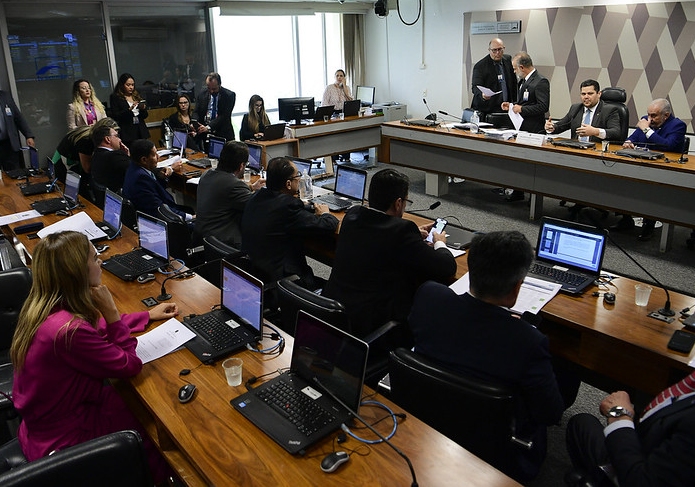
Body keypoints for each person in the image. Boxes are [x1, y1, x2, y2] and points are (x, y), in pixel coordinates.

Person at [9, 231, 178, 484]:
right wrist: (111, 312)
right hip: (66, 439)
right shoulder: (68, 331)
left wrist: (145, 316)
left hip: (41, 427)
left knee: (137, 399)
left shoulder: (43, 307)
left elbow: (93, 328)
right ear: (76, 271)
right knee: (161, 418)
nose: (99, 261)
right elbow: (128, 365)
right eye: (93, 256)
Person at [409, 231, 570, 482]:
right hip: (494, 455)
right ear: (517, 288)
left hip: (424, 428)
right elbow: (550, 414)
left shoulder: (428, 296)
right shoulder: (528, 341)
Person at [566, 291, 695, 487]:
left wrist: (619, 416)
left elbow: (642, 481)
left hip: (640, 466)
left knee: (580, 424)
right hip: (660, 443)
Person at [322, 168, 457, 340]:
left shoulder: (353, 215)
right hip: (372, 324)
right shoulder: (402, 232)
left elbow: (379, 232)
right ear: (398, 203)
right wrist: (439, 242)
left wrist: (412, 232)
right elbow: (446, 267)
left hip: (334, 311)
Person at [241, 157, 338, 290]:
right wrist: (326, 213)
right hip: (284, 282)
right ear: (288, 184)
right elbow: (328, 225)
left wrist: (308, 207)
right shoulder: (288, 207)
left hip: (257, 274)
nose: (299, 178)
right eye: (297, 176)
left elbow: (282, 209)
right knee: (335, 291)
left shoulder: (256, 197)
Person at [616, 98, 688, 239]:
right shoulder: (646, 121)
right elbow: (633, 137)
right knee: (622, 184)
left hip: (663, 170)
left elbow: (667, 146)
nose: (649, 118)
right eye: (648, 115)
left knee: (651, 193)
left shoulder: (677, 125)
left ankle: (648, 226)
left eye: (654, 115)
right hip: (641, 165)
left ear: (666, 115)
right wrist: (628, 142)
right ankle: (626, 220)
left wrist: (647, 129)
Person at [499, 52, 551, 201]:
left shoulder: (540, 81)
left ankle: (533, 200)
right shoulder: (524, 81)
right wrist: (512, 105)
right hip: (522, 127)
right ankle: (518, 191)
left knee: (530, 167)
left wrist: (521, 109)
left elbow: (543, 106)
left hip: (534, 129)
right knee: (519, 163)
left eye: (515, 69)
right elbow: (524, 103)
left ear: (522, 67)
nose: (514, 72)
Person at [194, 141, 264, 248]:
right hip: (223, 242)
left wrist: (252, 187)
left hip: (203, 236)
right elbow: (258, 206)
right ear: (241, 166)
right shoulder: (234, 185)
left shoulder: (207, 174)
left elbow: (225, 191)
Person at [122, 139, 193, 221]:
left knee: (189, 209)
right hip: (162, 221)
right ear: (144, 160)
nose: (158, 157)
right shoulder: (141, 179)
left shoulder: (134, 168)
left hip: (160, 212)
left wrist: (162, 176)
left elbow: (155, 188)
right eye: (155, 154)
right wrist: (190, 217)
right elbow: (159, 210)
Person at [545, 79, 622, 143]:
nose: (586, 97)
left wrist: (595, 131)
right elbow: (561, 125)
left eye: (590, 93)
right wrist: (551, 127)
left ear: (599, 94)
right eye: (583, 94)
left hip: (597, 152)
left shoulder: (609, 110)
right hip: (577, 150)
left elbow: (616, 132)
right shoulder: (576, 108)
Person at [470, 38, 517, 120]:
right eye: (494, 50)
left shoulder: (508, 60)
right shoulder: (480, 66)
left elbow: (513, 83)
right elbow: (475, 87)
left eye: (500, 50)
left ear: (504, 48)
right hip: (488, 109)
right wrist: (483, 95)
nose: (498, 53)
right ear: (489, 50)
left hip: (506, 108)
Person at [108, 73, 149, 147]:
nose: (131, 87)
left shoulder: (136, 95)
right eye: (128, 85)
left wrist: (142, 109)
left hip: (140, 130)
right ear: (122, 85)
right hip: (127, 132)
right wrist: (129, 110)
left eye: (132, 85)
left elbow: (145, 115)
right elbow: (116, 116)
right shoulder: (115, 97)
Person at [90, 118, 130, 192]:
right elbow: (136, 170)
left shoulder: (95, 155)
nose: (120, 140)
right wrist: (127, 156)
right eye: (116, 136)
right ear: (108, 139)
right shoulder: (116, 156)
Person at [194, 72, 236, 141]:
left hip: (222, 132)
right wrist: (195, 123)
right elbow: (196, 111)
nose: (211, 91)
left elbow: (224, 115)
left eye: (214, 89)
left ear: (219, 84)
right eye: (209, 88)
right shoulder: (202, 93)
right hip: (204, 133)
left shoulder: (229, 95)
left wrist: (209, 127)